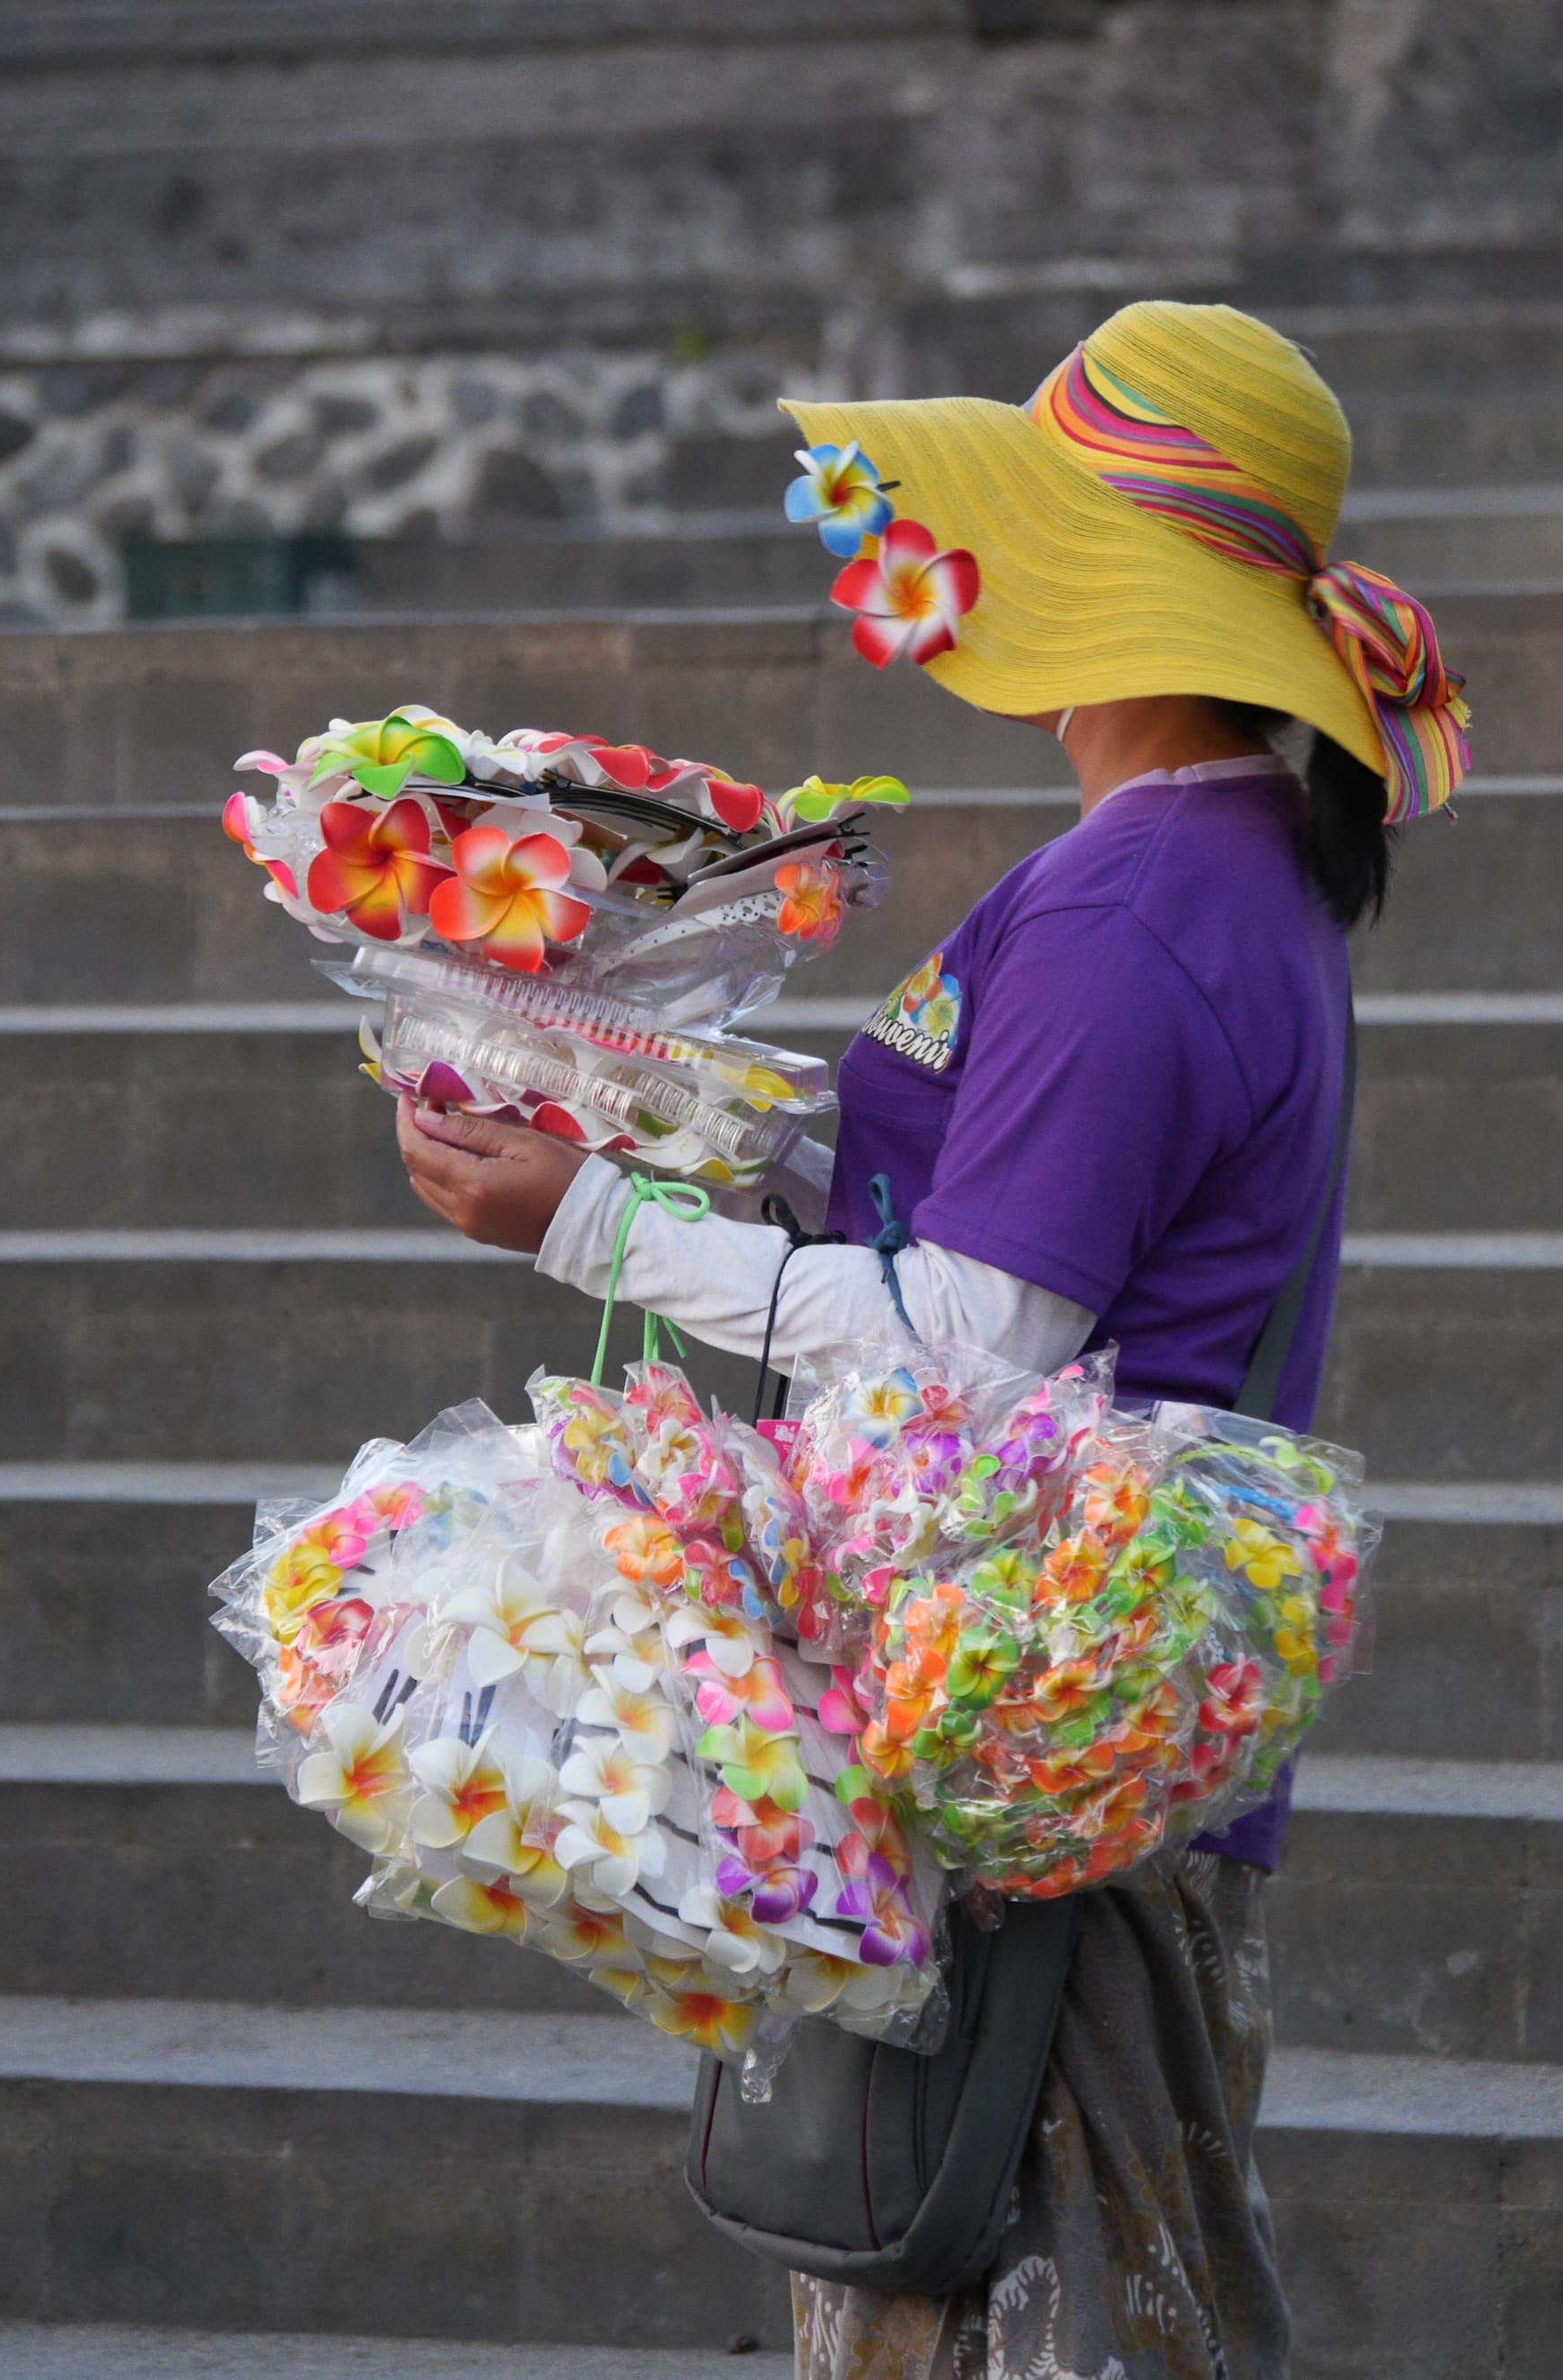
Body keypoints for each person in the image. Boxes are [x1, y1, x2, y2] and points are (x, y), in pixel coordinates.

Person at [395, 301, 1468, 2380]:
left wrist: (591, 1218)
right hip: (1066, 1703)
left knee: (1012, 2296)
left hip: (1037, 1728)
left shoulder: (1131, 909)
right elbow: (976, 1227)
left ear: (1109, 588)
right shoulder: (1210, 867)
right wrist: (668, 1112)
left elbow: (967, 1352)